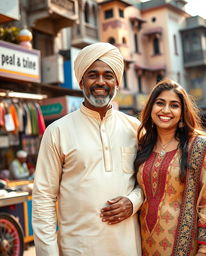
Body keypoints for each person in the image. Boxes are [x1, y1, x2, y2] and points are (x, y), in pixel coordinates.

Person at [32, 42, 143, 255]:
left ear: (117, 81)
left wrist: (133, 201)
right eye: (93, 75)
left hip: (128, 246)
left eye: (108, 75)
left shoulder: (135, 129)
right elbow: (43, 199)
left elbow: (150, 182)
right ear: (82, 81)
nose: (100, 82)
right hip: (78, 249)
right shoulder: (57, 131)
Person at [134, 79, 206, 256]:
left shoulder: (199, 147)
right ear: (150, 108)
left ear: (182, 112)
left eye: (174, 105)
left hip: (189, 247)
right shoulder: (142, 146)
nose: (166, 110)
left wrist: (204, 250)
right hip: (144, 244)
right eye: (160, 103)